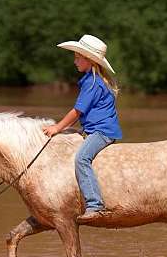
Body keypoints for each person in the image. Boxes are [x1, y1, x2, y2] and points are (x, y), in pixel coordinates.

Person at [42, 34, 122, 224]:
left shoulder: (92, 83)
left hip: (102, 132)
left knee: (82, 158)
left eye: (78, 57)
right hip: (95, 129)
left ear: (89, 60)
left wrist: (57, 128)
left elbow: (77, 112)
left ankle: (95, 204)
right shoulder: (93, 80)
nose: (75, 60)